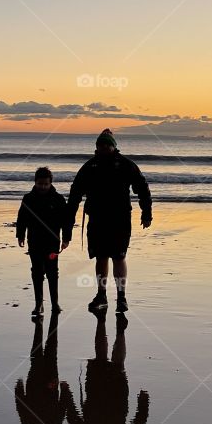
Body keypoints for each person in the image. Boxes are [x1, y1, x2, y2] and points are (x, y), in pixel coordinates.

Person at [67, 128, 151, 315]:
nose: (104, 147)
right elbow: (75, 193)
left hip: (120, 217)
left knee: (119, 256)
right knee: (101, 256)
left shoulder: (126, 165)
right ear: (97, 146)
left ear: (113, 146)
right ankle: (101, 294)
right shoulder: (90, 166)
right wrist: (69, 219)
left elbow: (142, 188)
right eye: (100, 144)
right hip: (97, 218)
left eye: (107, 144)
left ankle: (121, 297)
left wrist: (147, 212)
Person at [62, 315, 149, 424]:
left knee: (117, 365)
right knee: (101, 358)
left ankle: (119, 332)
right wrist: (66, 392)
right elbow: (72, 417)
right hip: (97, 395)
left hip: (116, 400)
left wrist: (143, 404)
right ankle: (101, 321)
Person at [16, 165, 71, 319]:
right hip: (34, 241)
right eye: (40, 184)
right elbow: (22, 218)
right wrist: (20, 235)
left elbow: (66, 221)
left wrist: (66, 238)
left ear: (51, 183)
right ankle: (38, 303)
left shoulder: (58, 199)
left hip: (53, 242)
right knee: (37, 271)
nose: (43, 187)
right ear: (35, 182)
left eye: (46, 184)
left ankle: (55, 303)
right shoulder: (28, 198)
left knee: (53, 272)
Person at [14, 313, 65, 424]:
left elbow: (62, 405)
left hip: (47, 383)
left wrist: (64, 389)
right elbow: (20, 402)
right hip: (38, 382)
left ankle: (46, 323)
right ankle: (41, 324)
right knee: (39, 353)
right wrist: (19, 387)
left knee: (50, 351)